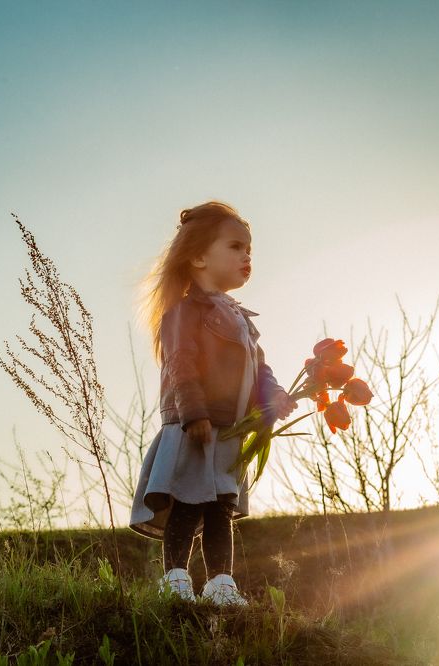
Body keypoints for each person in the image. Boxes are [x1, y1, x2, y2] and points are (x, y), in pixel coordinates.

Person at [130, 201, 296, 606]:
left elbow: (258, 366)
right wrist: (193, 413)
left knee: (221, 507)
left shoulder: (239, 316)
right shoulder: (185, 312)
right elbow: (180, 365)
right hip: (197, 426)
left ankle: (222, 584)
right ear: (199, 256)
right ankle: (175, 580)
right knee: (187, 503)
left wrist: (273, 395)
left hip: (230, 430)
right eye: (236, 246)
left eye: (249, 249)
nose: (247, 256)